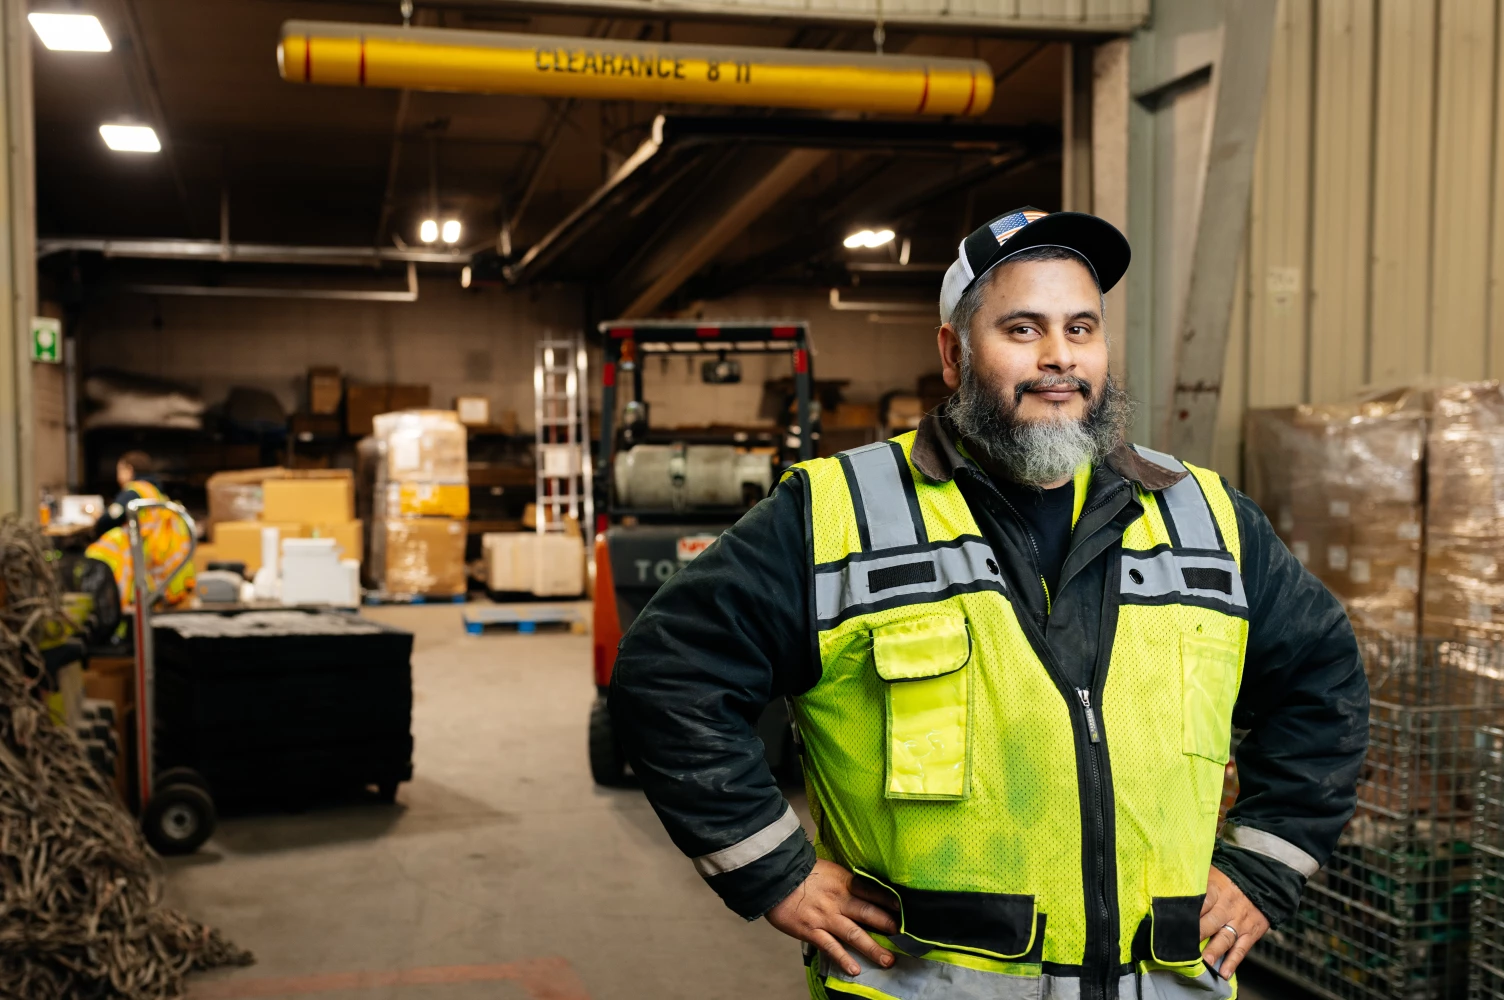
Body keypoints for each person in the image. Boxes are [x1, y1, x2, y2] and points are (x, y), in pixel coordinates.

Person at [608, 207, 1369, 1000]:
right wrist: (774, 872)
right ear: (953, 352)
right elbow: (670, 673)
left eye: (1081, 328)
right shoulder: (839, 515)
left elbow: (1323, 684)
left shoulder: (1206, 518)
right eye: (1022, 329)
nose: (1058, 358)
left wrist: (1265, 863)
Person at [83, 450, 194, 614]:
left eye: (119, 470)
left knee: (96, 553)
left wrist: (97, 519)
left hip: (141, 550)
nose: (117, 477)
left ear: (129, 470)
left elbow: (110, 518)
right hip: (155, 552)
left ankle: (111, 610)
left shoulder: (134, 491)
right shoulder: (155, 491)